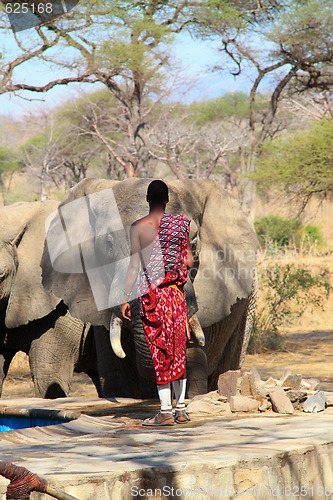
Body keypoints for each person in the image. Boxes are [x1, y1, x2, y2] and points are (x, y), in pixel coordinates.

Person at [121, 180, 194, 426]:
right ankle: (181, 409)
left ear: (147, 199)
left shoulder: (139, 227)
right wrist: (174, 256)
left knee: (160, 350)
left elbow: (133, 265)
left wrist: (124, 298)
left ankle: (164, 412)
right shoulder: (181, 224)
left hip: (153, 298)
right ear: (168, 199)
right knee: (178, 350)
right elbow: (190, 262)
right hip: (176, 296)